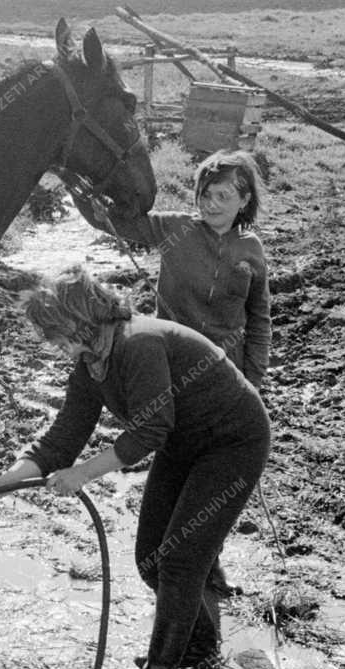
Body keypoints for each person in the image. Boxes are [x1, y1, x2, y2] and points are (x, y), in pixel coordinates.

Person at [0, 266, 270, 669]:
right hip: (184, 443)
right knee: (152, 559)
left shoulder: (137, 344)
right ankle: (198, 645)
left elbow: (151, 428)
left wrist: (83, 475)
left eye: (59, 335)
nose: (56, 347)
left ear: (84, 320)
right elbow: (61, 440)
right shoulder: (92, 364)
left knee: (179, 563)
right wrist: (3, 485)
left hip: (232, 442)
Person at [73, 148, 271, 603]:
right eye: (206, 194)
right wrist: (86, 191)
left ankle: (206, 557)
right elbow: (117, 224)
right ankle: (182, 572)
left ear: (244, 201)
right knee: (176, 458)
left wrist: (254, 379)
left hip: (228, 378)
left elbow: (259, 318)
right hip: (172, 372)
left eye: (224, 196)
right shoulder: (175, 229)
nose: (212, 204)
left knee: (217, 472)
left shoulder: (252, 251)